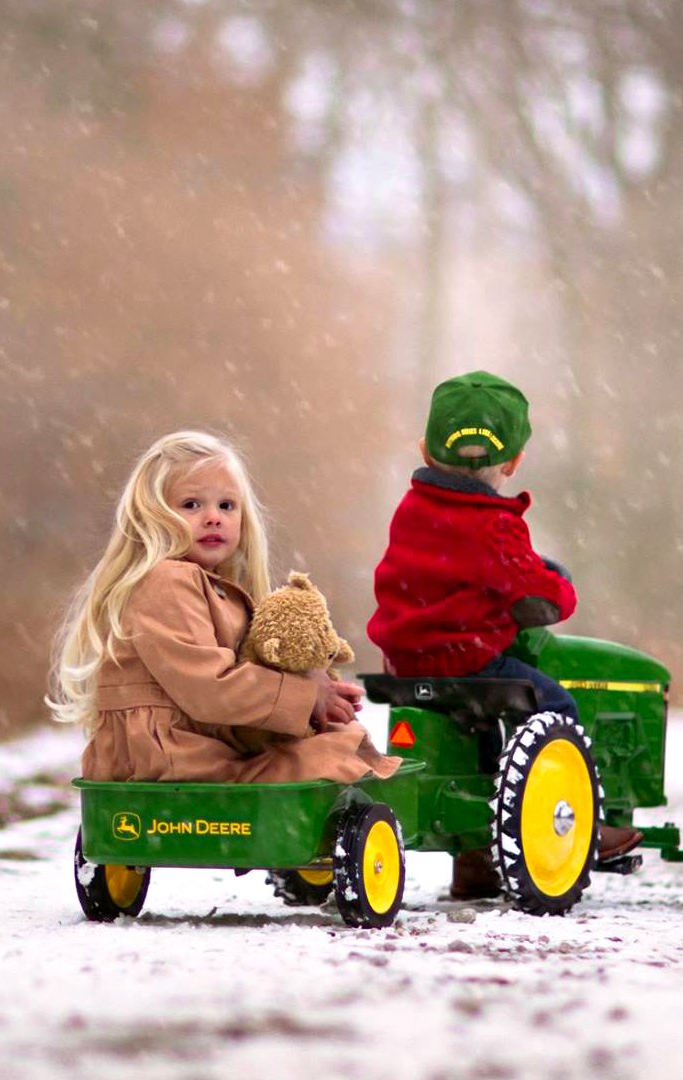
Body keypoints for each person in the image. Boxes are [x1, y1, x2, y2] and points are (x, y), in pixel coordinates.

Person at [368, 371, 640, 899]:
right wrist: (559, 585)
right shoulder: (495, 523)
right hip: (465, 662)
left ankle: (476, 862)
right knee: (553, 703)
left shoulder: (412, 508)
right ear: (513, 462)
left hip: (403, 663)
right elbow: (535, 591)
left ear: (425, 449)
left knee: (483, 741)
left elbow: (447, 573)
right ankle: (579, 822)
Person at [49, 431, 398, 784]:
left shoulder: (208, 588)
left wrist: (312, 685)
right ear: (151, 516)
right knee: (329, 761)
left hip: (190, 750)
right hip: (168, 759)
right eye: (191, 505)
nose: (213, 517)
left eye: (226, 506)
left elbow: (230, 684)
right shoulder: (166, 581)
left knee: (333, 744)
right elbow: (211, 689)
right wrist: (306, 697)